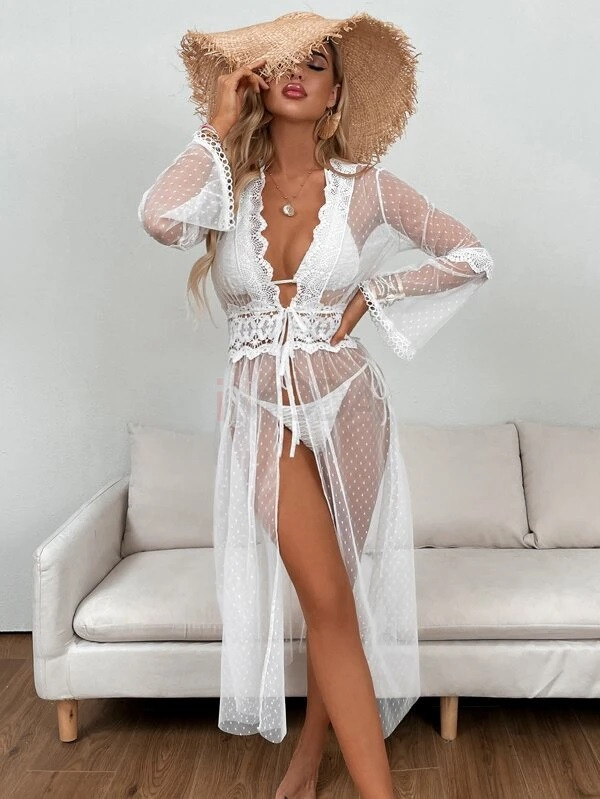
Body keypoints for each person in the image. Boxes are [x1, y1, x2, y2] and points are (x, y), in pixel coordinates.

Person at [137, 12, 494, 799]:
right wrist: (218, 123)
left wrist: (376, 291)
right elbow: (159, 217)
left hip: (350, 402)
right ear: (261, 80)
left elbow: (472, 254)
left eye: (317, 62)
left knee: (336, 597)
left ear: (336, 93)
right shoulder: (227, 190)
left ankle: (310, 754)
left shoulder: (368, 189)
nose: (298, 72)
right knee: (327, 596)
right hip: (260, 407)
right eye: (284, 61)